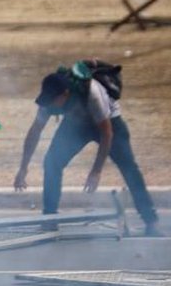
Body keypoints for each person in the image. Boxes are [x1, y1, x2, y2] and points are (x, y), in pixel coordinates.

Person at [14, 70, 161, 236]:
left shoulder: (92, 93)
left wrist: (96, 171)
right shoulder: (49, 101)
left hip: (109, 123)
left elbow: (107, 134)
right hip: (76, 125)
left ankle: (151, 221)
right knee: (52, 162)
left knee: (129, 167)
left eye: (53, 101)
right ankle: (49, 219)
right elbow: (35, 131)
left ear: (65, 94)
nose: (51, 105)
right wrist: (23, 167)